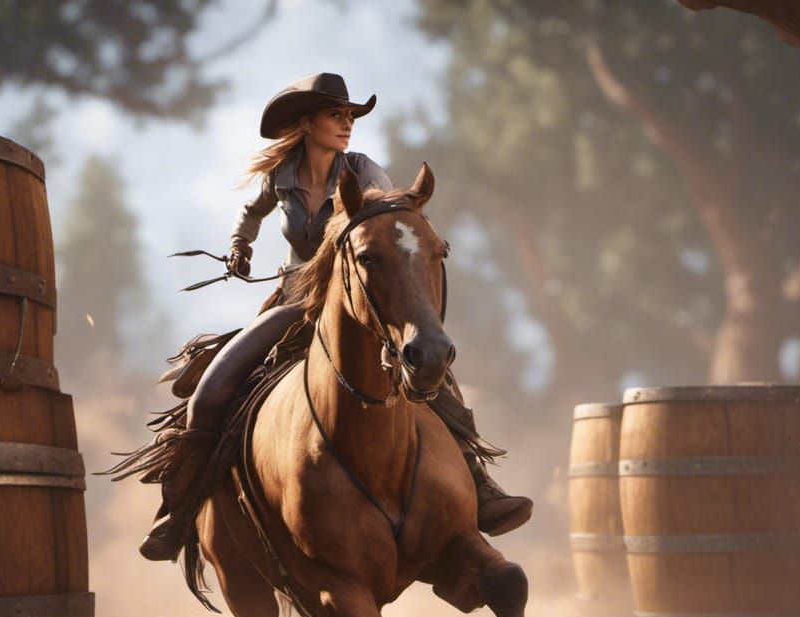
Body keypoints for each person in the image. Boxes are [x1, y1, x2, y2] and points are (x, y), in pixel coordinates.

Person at [139, 72, 533, 561]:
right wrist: (240, 246)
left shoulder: (365, 172)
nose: (347, 124)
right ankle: (178, 513)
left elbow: (386, 224)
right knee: (212, 390)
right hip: (294, 300)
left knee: (434, 374)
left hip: (353, 303)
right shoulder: (280, 176)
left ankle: (479, 481)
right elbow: (251, 212)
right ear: (308, 124)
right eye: (336, 115)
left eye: (350, 116)